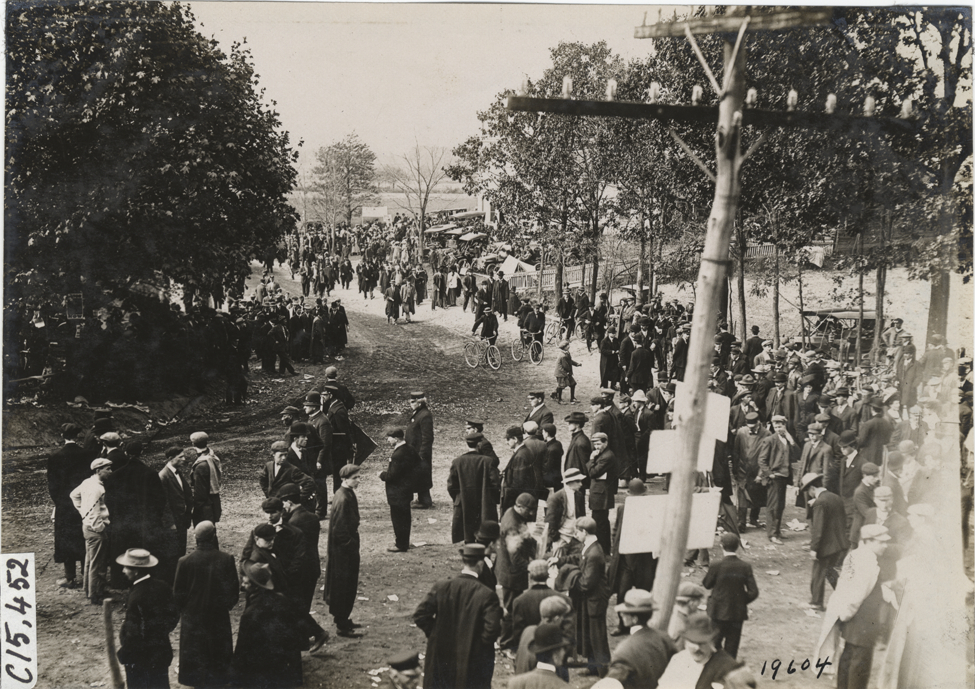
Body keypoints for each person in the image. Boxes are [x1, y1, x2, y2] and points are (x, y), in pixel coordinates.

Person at [413, 543, 503, 689]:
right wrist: (476, 645)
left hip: (441, 656)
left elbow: (420, 615)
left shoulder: (442, 586)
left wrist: (436, 635)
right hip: (471, 661)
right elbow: (492, 629)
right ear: (480, 564)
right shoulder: (487, 594)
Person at [816, 524, 892, 689]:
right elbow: (857, 594)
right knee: (860, 665)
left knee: (848, 658)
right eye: (881, 542)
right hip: (862, 620)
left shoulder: (855, 555)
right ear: (868, 541)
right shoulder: (868, 562)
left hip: (852, 620)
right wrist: (847, 613)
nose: (885, 546)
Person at [173, 522, 240, 689]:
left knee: (195, 649)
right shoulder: (226, 559)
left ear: (196, 539)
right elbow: (233, 590)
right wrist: (225, 606)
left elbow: (177, 593)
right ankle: (218, 680)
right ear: (213, 536)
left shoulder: (184, 561)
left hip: (192, 615)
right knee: (217, 648)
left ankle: (195, 681)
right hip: (218, 614)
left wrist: (186, 609)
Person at [231, 561, 304, 689]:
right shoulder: (283, 601)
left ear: (256, 586)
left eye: (246, 583)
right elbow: (294, 640)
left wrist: (236, 679)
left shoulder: (250, 613)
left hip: (260, 673)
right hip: (282, 670)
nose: (242, 586)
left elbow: (242, 649)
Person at [115, 548, 179, 689]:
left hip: (140, 659)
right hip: (161, 652)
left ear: (136, 571)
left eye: (126, 567)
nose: (123, 571)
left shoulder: (136, 596)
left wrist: (125, 653)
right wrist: (161, 633)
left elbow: (134, 633)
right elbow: (174, 614)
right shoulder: (163, 586)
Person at [606, 589, 678, 689]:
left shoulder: (624, 651)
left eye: (626, 612)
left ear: (635, 619)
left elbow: (612, 684)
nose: (621, 614)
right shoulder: (664, 638)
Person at [701, 533, 758, 659]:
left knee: (713, 645)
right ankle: (728, 672)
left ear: (721, 546)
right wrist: (741, 601)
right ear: (737, 547)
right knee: (732, 647)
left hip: (718, 611)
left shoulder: (716, 565)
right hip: (737, 613)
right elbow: (753, 591)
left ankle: (713, 671)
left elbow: (706, 584)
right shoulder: (745, 566)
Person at [48, 422, 89, 589]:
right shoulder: (87, 454)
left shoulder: (55, 456)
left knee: (66, 539)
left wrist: (58, 503)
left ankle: (70, 577)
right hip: (83, 502)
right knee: (83, 536)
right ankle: (87, 575)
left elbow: (53, 486)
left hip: (65, 504)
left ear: (62, 436)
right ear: (77, 436)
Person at [570, 516, 611, 677]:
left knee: (597, 636)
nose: (575, 535)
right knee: (590, 634)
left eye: (577, 532)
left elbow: (586, 583)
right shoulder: (590, 546)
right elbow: (578, 559)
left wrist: (570, 580)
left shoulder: (594, 553)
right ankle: (593, 667)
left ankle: (603, 673)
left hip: (595, 600)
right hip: (591, 599)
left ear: (584, 532)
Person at [496, 493, 539, 649]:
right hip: (511, 573)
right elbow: (515, 558)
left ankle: (506, 640)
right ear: (520, 507)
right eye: (529, 510)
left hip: (507, 570)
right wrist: (533, 567)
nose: (532, 514)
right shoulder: (512, 525)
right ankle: (506, 644)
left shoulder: (511, 512)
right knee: (511, 609)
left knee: (512, 607)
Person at [801, 472, 848, 611]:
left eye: (807, 491)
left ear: (812, 488)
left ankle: (816, 602)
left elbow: (818, 528)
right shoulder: (835, 497)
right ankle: (845, 597)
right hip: (840, 543)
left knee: (818, 573)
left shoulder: (820, 503)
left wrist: (814, 548)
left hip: (826, 545)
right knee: (831, 572)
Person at [656, 613, 742, 689]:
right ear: (685, 641)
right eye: (693, 642)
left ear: (712, 641)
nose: (697, 648)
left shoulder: (728, 667)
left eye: (702, 643)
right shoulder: (679, 659)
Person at [325, 464, 363, 637]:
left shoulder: (345, 494)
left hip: (345, 548)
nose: (358, 480)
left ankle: (344, 618)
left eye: (358, 477)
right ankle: (342, 624)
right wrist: (350, 546)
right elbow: (340, 529)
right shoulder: (343, 498)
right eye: (355, 478)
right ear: (345, 479)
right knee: (343, 585)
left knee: (347, 584)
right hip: (343, 551)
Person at [70, 457, 113, 604]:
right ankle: (95, 595)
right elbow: (94, 511)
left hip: (87, 526)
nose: (110, 472)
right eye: (107, 469)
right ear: (98, 470)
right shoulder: (96, 488)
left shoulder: (88, 482)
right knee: (98, 563)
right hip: (95, 529)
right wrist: (98, 527)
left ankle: (89, 590)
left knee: (90, 560)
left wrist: (83, 513)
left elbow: (73, 495)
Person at [448, 432, 501, 544]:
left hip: (464, 501)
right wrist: (493, 499)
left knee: (467, 534)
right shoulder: (487, 461)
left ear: (467, 444)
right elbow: (495, 483)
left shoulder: (457, 462)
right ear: (479, 444)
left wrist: (457, 498)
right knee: (485, 535)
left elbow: (451, 486)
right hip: (484, 502)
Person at [758, 414, 799, 544]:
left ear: (784, 425)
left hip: (784, 477)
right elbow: (761, 460)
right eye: (775, 426)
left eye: (780, 426)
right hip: (775, 477)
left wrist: (790, 438)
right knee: (773, 506)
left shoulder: (787, 439)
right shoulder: (769, 440)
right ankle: (772, 535)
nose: (778, 428)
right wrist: (769, 473)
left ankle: (777, 531)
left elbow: (797, 454)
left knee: (780, 506)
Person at [381, 426, 421, 552]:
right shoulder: (410, 449)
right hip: (407, 490)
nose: (388, 440)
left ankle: (400, 544)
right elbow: (418, 465)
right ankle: (404, 542)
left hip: (397, 492)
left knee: (398, 519)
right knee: (405, 517)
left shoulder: (398, 454)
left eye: (390, 438)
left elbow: (392, 476)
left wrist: (381, 475)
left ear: (396, 439)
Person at [508, 623, 573, 689]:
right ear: (555, 655)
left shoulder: (515, 683)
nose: (564, 652)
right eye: (562, 649)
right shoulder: (563, 687)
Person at [159, 448, 193, 566]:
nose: (184, 459)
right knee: (173, 552)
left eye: (184, 456)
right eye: (180, 457)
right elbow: (164, 503)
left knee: (181, 549)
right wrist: (170, 523)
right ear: (170, 459)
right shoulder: (164, 476)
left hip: (181, 518)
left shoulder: (177, 472)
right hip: (173, 521)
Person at [587, 432, 618, 553]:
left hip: (600, 495)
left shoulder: (606, 456)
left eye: (599, 444)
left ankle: (601, 549)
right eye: (595, 444)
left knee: (599, 523)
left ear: (606, 442)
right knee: (602, 522)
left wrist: (591, 459)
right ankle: (604, 549)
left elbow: (592, 473)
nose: (596, 447)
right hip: (600, 493)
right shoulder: (604, 454)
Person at [405, 391, 435, 509]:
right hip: (414, 451)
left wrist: (422, 454)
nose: (411, 404)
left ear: (420, 402)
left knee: (422, 475)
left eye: (413, 402)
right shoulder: (419, 413)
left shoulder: (425, 415)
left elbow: (427, 437)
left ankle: (425, 501)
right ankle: (422, 499)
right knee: (418, 475)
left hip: (420, 452)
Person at [189, 432, 222, 525]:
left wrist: (196, 507)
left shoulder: (200, 465)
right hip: (214, 500)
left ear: (193, 444)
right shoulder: (213, 457)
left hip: (205, 505)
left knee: (205, 531)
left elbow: (200, 491)